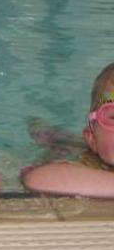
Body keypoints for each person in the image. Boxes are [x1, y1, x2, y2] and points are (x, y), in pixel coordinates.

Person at [22, 62, 114, 197]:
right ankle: (48, 133)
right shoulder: (87, 167)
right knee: (62, 142)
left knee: (70, 142)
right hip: (71, 154)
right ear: (93, 139)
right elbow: (38, 179)